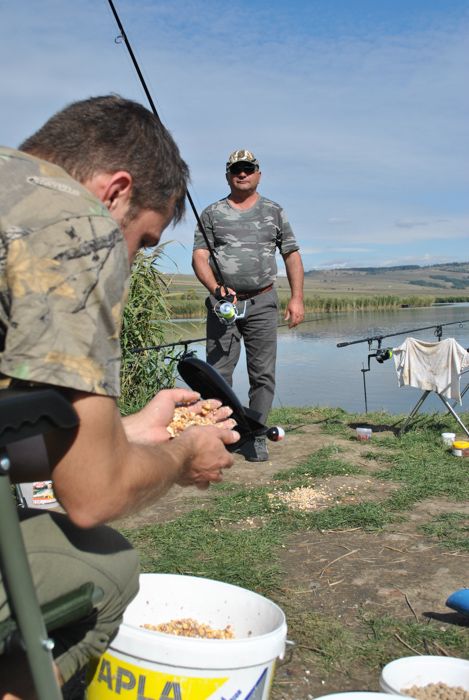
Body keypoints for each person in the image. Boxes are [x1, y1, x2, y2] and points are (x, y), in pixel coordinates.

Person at [0, 95, 239, 700]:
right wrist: (183, 455)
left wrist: (126, 432)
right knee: (110, 565)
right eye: (142, 240)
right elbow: (93, 497)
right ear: (114, 193)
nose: (129, 262)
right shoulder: (75, 227)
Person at [192, 149, 304, 462]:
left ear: (258, 174)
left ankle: (256, 436)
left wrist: (297, 298)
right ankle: (222, 434)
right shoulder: (212, 213)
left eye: (248, 169)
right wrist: (216, 288)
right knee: (217, 373)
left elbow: (291, 254)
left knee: (262, 374)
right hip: (223, 304)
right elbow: (199, 256)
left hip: (263, 301)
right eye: (236, 170)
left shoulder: (274, 211)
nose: (242, 174)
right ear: (228, 175)